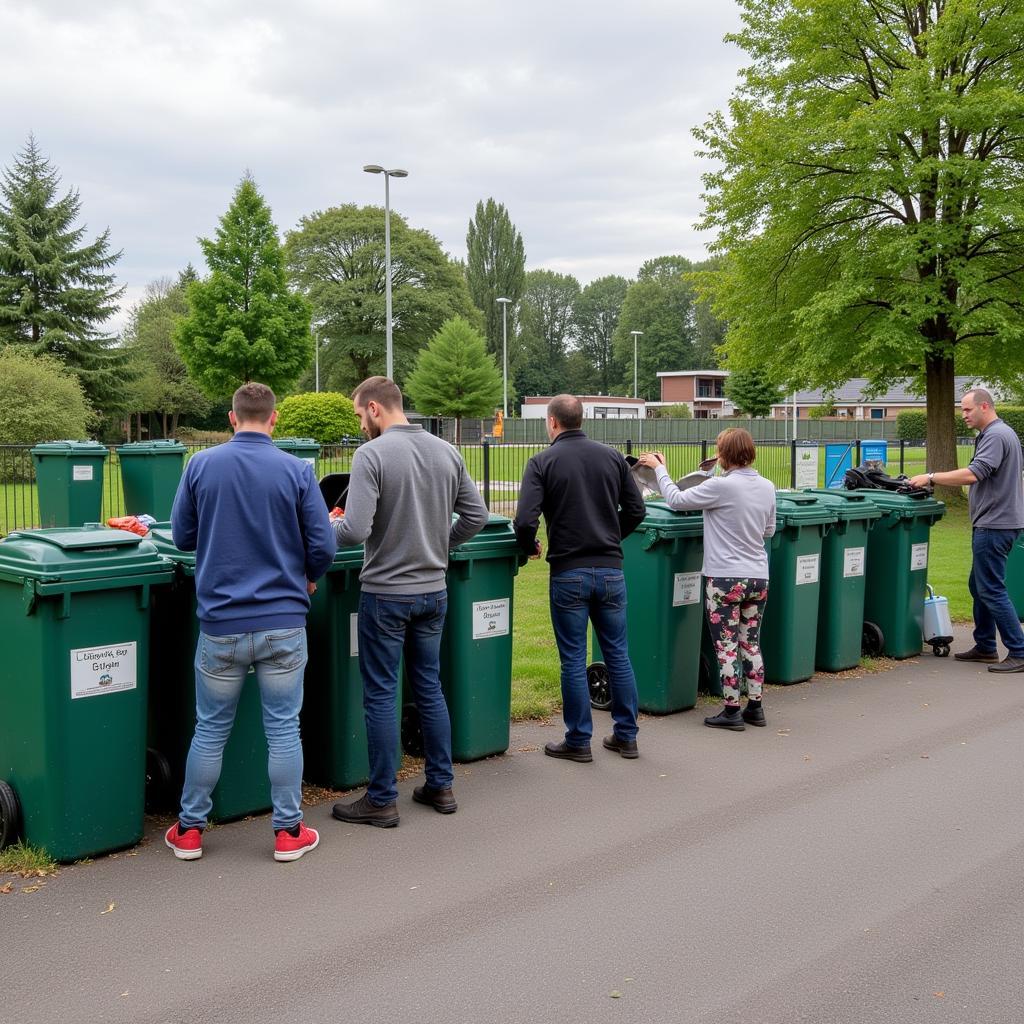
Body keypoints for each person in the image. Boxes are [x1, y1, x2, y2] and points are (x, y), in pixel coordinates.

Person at [165, 382, 336, 862]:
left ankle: (190, 830)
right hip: (283, 622)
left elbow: (181, 536)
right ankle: (288, 833)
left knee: (210, 730)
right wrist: (307, 576)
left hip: (220, 624)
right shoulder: (296, 471)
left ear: (231, 418)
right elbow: (322, 544)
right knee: (283, 729)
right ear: (275, 418)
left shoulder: (200, 465)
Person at [331, 377, 489, 826]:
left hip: (386, 594)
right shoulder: (446, 451)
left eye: (361, 415)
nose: (361, 425)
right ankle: (440, 785)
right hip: (433, 592)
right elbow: (476, 515)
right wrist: (442, 544)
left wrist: (321, 532)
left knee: (381, 694)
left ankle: (381, 799)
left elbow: (356, 529)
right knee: (429, 687)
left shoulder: (372, 455)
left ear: (376, 409)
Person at [513, 395, 646, 762]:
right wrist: (608, 538)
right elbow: (637, 510)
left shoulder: (542, 462)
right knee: (617, 653)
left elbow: (525, 520)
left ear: (553, 422)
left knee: (572, 658)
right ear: (580, 419)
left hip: (569, 571)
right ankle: (626, 735)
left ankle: (578, 740)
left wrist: (530, 546)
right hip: (610, 570)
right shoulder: (612, 457)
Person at [638, 428, 776, 730]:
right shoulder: (767, 486)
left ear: (724, 454)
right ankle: (756, 707)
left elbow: (675, 499)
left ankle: (731, 710)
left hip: (725, 578)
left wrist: (660, 469)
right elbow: (768, 531)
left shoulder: (720, 487)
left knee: (726, 646)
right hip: (758, 577)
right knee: (750, 643)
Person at [909, 388, 1024, 671]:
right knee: (979, 585)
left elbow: (974, 473)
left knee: (991, 588)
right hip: (999, 522)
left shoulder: (996, 435)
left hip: (994, 525)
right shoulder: (998, 434)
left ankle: (1019, 651)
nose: (963, 415)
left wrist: (931, 476)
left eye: (967, 410)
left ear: (984, 406)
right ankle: (985, 646)